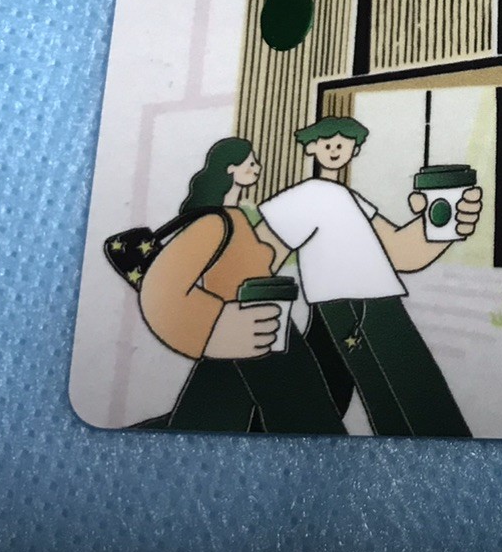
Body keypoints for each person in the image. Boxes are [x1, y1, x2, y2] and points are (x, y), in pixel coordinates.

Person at [255, 116, 483, 438]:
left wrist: (444, 224)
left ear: (355, 149)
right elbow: (261, 252)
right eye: (326, 142)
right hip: (354, 308)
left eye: (343, 143)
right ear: (311, 148)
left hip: (367, 304)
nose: (335, 149)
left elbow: (401, 252)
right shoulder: (309, 194)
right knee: (413, 402)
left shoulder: (349, 199)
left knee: (332, 396)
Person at [136, 137, 346, 433]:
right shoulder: (214, 222)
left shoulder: (239, 217)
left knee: (203, 420)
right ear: (230, 169)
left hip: (266, 321)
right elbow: (162, 286)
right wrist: (214, 327)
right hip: (252, 325)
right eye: (250, 163)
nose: (257, 168)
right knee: (309, 416)